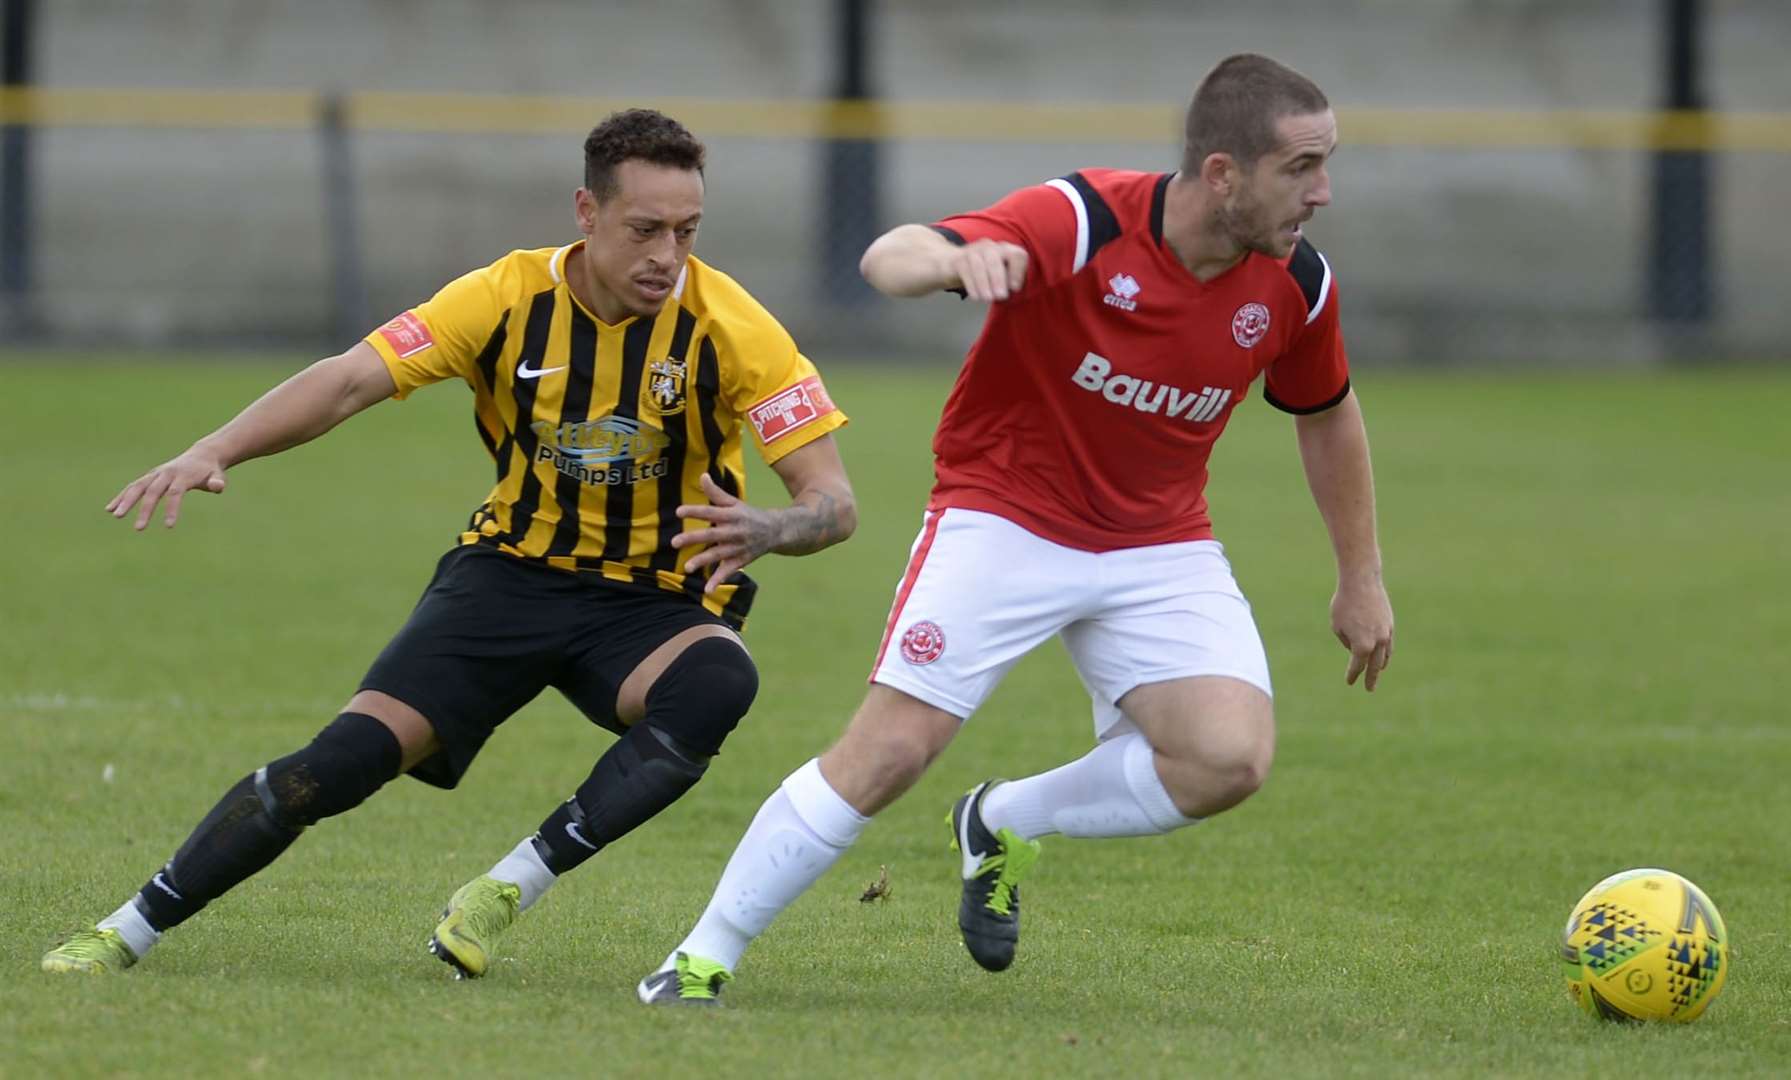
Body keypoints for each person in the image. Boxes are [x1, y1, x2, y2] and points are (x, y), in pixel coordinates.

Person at [635, 54, 1394, 1006]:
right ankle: (701, 956)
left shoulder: (1298, 284)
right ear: (1221, 174)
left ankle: (999, 821)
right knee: (888, 755)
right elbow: (887, 257)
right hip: (1003, 518)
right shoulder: (1082, 220)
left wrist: (1358, 575)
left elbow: (1325, 410)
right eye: (1302, 168)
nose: (1321, 193)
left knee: (1225, 759)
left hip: (1158, 542)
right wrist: (954, 261)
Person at [41, 109, 856, 978]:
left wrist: (774, 526)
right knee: (338, 766)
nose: (667, 255)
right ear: (586, 212)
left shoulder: (734, 327)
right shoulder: (502, 297)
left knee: (717, 681)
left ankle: (507, 887)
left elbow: (833, 503)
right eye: (645, 229)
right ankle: (126, 928)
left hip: (652, 600)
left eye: (686, 232)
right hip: (508, 575)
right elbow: (351, 379)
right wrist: (214, 449)